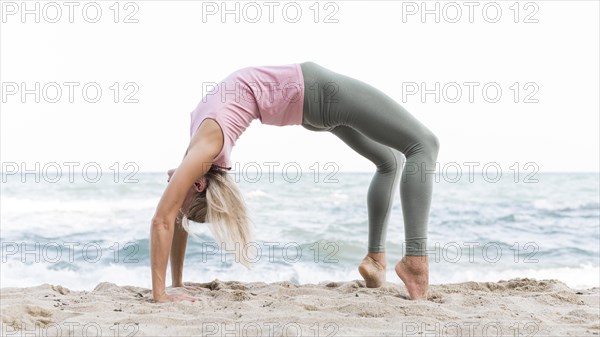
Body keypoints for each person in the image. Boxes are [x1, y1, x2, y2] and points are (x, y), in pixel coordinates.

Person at [150, 61, 440, 303]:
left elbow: (173, 217)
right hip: (316, 91)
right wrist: (162, 295)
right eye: (180, 199)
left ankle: (375, 261)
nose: (171, 191)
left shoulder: (198, 149)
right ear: (199, 185)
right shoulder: (205, 149)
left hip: (307, 106)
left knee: (389, 162)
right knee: (423, 145)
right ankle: (416, 262)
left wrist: (176, 284)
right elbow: (164, 220)